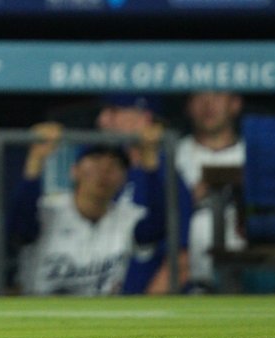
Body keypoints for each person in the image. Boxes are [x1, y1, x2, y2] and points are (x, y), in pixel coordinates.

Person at [13, 123, 167, 296]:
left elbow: (157, 227)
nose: (105, 169)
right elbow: (21, 226)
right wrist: (36, 158)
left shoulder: (127, 217)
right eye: (95, 160)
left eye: (115, 164)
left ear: (124, 179)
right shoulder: (48, 211)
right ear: (74, 171)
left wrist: (151, 162)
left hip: (102, 316)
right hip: (41, 312)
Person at [172, 91, 243, 289]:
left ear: (235, 103)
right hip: (185, 277)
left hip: (246, 270)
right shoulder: (173, 154)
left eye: (218, 95)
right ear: (188, 106)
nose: (208, 104)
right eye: (199, 96)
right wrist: (187, 199)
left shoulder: (253, 154)